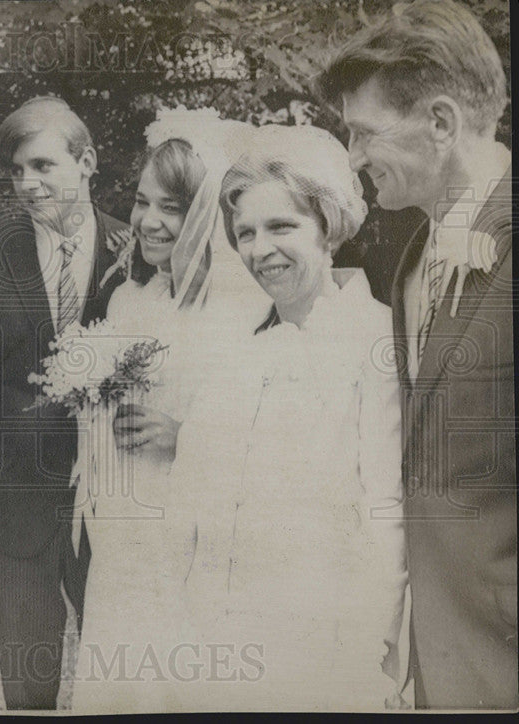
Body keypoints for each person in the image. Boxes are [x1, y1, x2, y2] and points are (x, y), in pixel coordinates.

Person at [168, 124, 408, 710]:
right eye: (245, 232)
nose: (259, 250)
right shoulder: (241, 348)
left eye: (281, 226)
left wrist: (362, 652)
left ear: (328, 226)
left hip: (325, 649)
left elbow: (387, 512)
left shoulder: (375, 340)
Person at [320, 0, 515, 709]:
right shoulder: (408, 259)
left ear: (440, 122)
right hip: (431, 661)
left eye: (363, 133)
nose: (352, 157)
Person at [0, 96, 127, 709]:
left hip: (119, 495)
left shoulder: (138, 252)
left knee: (119, 669)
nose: (28, 184)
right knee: (28, 680)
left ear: (87, 160)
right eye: (17, 171)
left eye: (43, 166)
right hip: (12, 493)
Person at [72, 108, 266, 713]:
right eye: (141, 201)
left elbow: (265, 432)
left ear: (206, 215)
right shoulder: (130, 297)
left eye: (171, 208)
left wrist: (187, 437)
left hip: (192, 534)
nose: (148, 221)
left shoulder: (242, 310)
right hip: (123, 532)